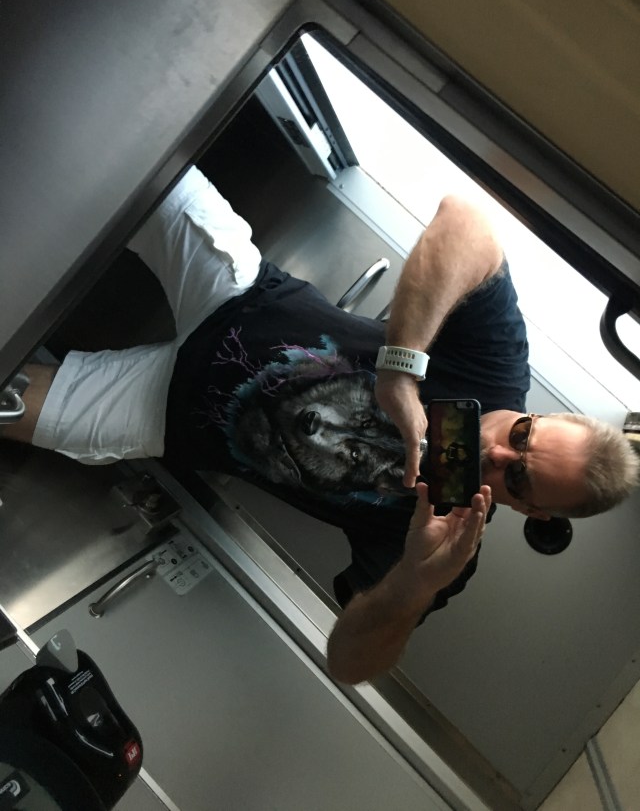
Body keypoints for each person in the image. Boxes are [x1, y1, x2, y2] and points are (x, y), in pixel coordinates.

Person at [4, 167, 638, 684]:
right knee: (129, 147)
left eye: (519, 480)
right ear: (542, 415)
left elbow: (348, 663)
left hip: (167, 414)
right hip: (237, 292)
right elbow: (466, 221)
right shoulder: (495, 368)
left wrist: (413, 582)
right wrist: (401, 370)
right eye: (524, 437)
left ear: (532, 514)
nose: (498, 454)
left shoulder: (445, 547)